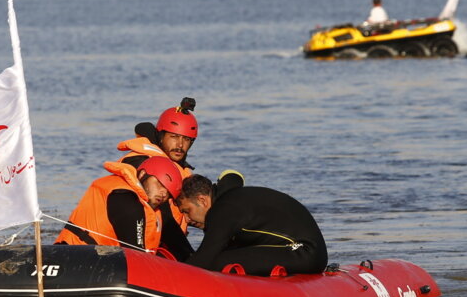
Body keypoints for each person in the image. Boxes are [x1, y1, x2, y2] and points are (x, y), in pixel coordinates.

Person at [175, 173, 328, 276]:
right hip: (306, 249)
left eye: (187, 211)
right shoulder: (229, 199)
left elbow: (205, 258)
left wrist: (172, 275)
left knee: (218, 261)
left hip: (306, 251)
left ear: (202, 200)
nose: (187, 219)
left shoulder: (224, 209)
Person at [116, 98, 200, 260]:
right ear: (161, 136)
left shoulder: (179, 169)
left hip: (159, 247)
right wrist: (191, 258)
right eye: (174, 137)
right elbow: (165, 217)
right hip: (130, 247)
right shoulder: (142, 164)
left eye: (186, 139)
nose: (180, 145)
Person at [55, 156, 184, 253]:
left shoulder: (154, 209)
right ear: (143, 174)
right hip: (74, 256)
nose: (162, 193)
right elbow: (137, 256)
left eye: (168, 192)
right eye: (159, 184)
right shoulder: (126, 202)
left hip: (90, 258)